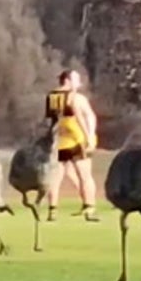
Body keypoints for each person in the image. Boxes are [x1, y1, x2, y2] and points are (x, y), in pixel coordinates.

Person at [44, 69, 100, 222]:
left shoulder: (51, 97)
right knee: (85, 176)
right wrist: (89, 135)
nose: (80, 83)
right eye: (76, 79)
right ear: (67, 80)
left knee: (56, 177)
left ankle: (52, 211)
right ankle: (89, 208)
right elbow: (84, 116)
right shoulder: (76, 98)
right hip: (76, 139)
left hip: (59, 141)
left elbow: (51, 121)